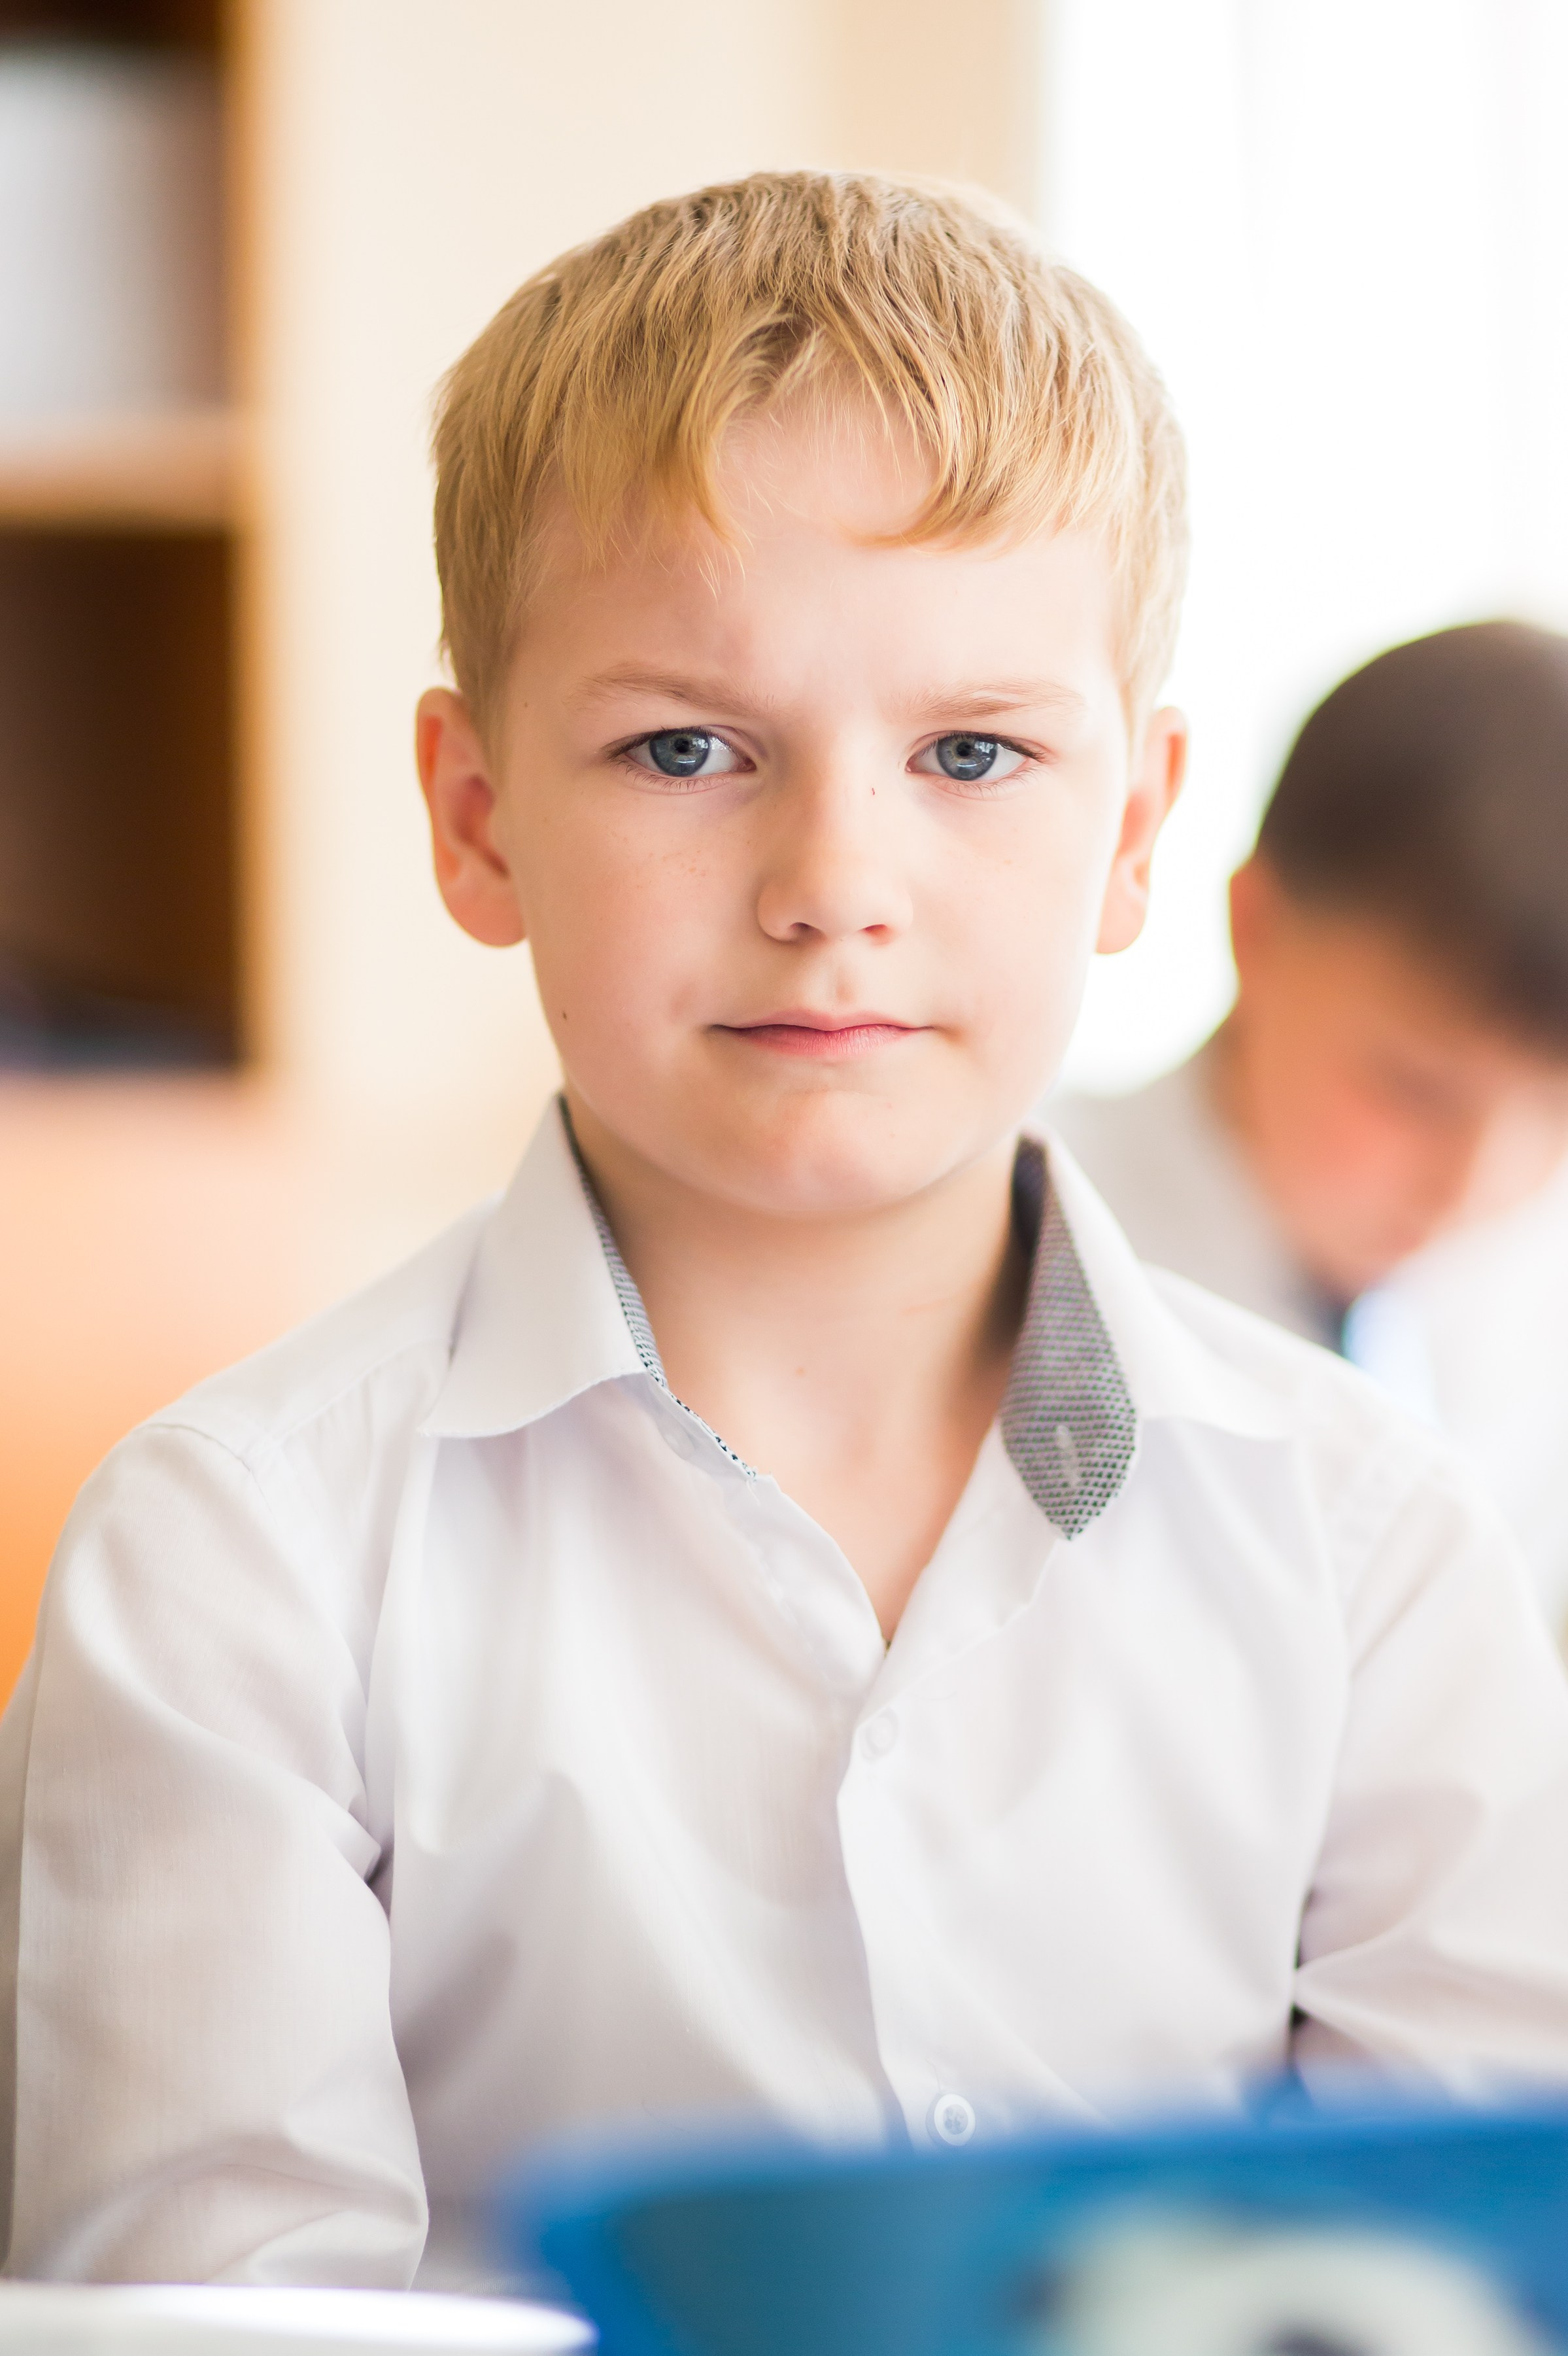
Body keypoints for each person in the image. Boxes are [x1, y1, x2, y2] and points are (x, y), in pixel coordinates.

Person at [3, 173, 1568, 2293]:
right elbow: (221, 2323)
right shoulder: (234, 1563)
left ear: (1130, 830)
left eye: (969, 752)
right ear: (475, 819)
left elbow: (1448, 2290)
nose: (832, 880)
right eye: (683, 747)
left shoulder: (1373, 1552)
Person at [1053, 625, 1568, 1631]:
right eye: (1418, 1090)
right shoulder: (1020, 1249)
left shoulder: (1534, 1295)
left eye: (1559, 1112)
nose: (1472, 1183)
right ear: (1256, 931)